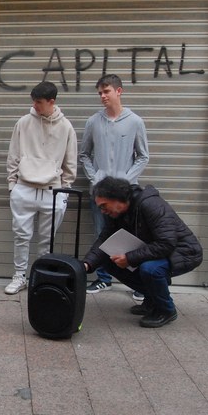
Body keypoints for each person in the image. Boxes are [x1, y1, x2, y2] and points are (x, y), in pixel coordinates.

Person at [82, 176, 202, 328]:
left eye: (104, 205)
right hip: (156, 251)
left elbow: (166, 243)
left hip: (184, 252)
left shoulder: (150, 204)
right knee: (108, 260)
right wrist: (86, 264)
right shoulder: (114, 213)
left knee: (150, 269)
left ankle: (166, 310)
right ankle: (152, 298)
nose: (102, 210)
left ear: (118, 198)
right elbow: (104, 240)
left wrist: (130, 258)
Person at [80, 74, 150, 301]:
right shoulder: (93, 122)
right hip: (100, 194)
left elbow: (143, 156)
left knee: (135, 236)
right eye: (100, 92)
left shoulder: (135, 121)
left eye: (106, 91)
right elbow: (84, 155)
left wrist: (127, 182)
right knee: (102, 234)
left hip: (127, 194)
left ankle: (140, 282)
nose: (102, 96)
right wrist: (95, 179)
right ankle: (103, 278)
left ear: (119, 91)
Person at [4, 81, 77, 295]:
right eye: (34, 102)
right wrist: (13, 185)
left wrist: (64, 191)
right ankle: (19, 276)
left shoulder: (65, 127)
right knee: (21, 236)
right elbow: (13, 156)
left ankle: (40, 277)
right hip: (24, 187)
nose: (35, 106)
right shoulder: (24, 123)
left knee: (47, 240)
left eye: (39, 102)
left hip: (52, 191)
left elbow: (70, 162)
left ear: (51, 102)